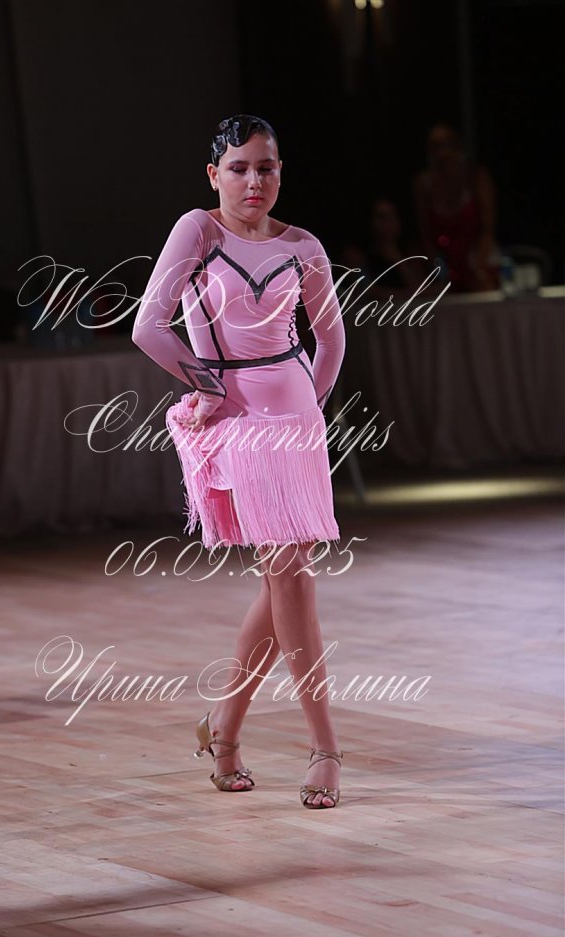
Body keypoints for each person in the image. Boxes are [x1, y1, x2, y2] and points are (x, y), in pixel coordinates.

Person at [132, 114, 346, 809]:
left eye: (267, 168)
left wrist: (306, 413)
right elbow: (148, 327)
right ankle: (324, 746)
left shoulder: (303, 245)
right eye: (240, 168)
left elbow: (331, 340)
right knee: (292, 576)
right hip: (234, 419)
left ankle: (225, 729)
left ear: (281, 173)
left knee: (282, 577)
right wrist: (210, 388)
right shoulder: (199, 230)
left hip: (296, 420)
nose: (254, 181)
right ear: (214, 174)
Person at [413, 123, 499, 292]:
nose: (442, 152)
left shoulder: (476, 176)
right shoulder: (422, 184)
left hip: (478, 257)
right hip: (444, 262)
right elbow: (425, 233)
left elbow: (487, 229)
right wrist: (437, 270)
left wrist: (478, 268)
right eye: (436, 146)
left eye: (447, 144)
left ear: (457, 146)